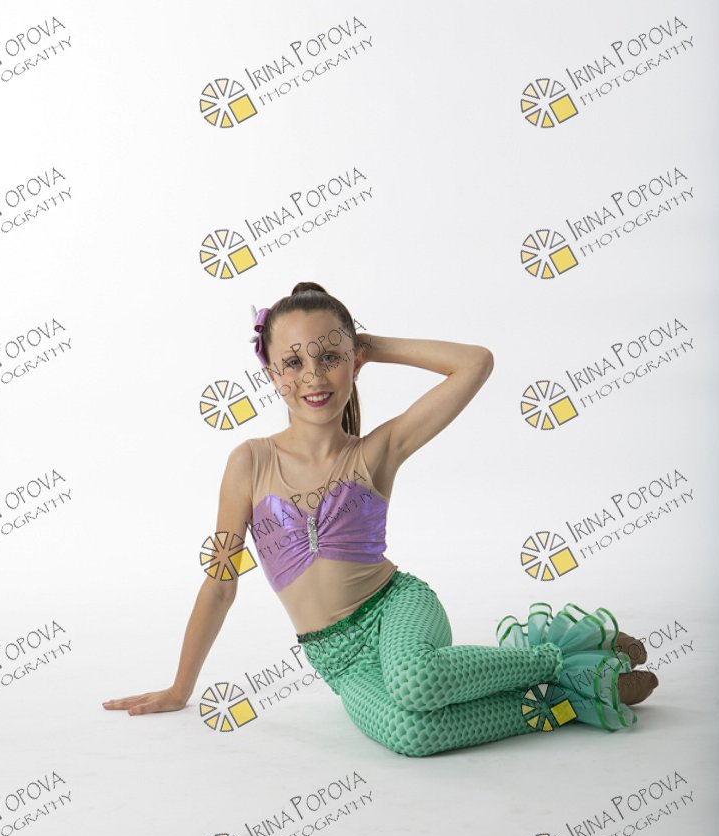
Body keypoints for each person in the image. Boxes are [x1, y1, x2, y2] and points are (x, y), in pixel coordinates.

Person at [103, 281, 658, 756]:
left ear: (353, 361)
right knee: (412, 733)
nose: (313, 375)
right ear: (271, 373)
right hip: (338, 659)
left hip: (396, 609)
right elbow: (221, 584)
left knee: (417, 680)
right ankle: (567, 697)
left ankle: (554, 658)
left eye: (330, 356)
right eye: (293, 362)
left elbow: (475, 363)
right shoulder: (249, 463)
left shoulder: (376, 452)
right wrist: (181, 688)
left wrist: (371, 345)